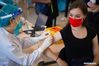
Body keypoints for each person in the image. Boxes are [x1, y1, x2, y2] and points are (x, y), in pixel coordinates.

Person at [43, 0, 99, 66]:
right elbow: (42, 47)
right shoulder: (65, 32)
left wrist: (92, 64)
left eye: (77, 16)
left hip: (87, 63)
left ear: (84, 16)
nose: (73, 18)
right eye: (71, 15)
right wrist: (58, 60)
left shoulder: (91, 32)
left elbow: (96, 55)